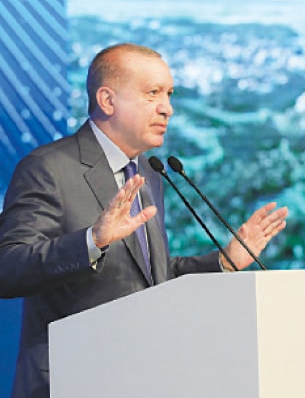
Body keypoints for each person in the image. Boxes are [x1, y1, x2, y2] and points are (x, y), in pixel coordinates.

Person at [0, 43, 289, 398]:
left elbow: (148, 276)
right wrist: (92, 241)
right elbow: (8, 268)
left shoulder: (149, 173)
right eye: (153, 93)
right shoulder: (48, 168)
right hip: (68, 381)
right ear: (107, 101)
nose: (167, 108)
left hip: (141, 378)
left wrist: (224, 262)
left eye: (169, 94)